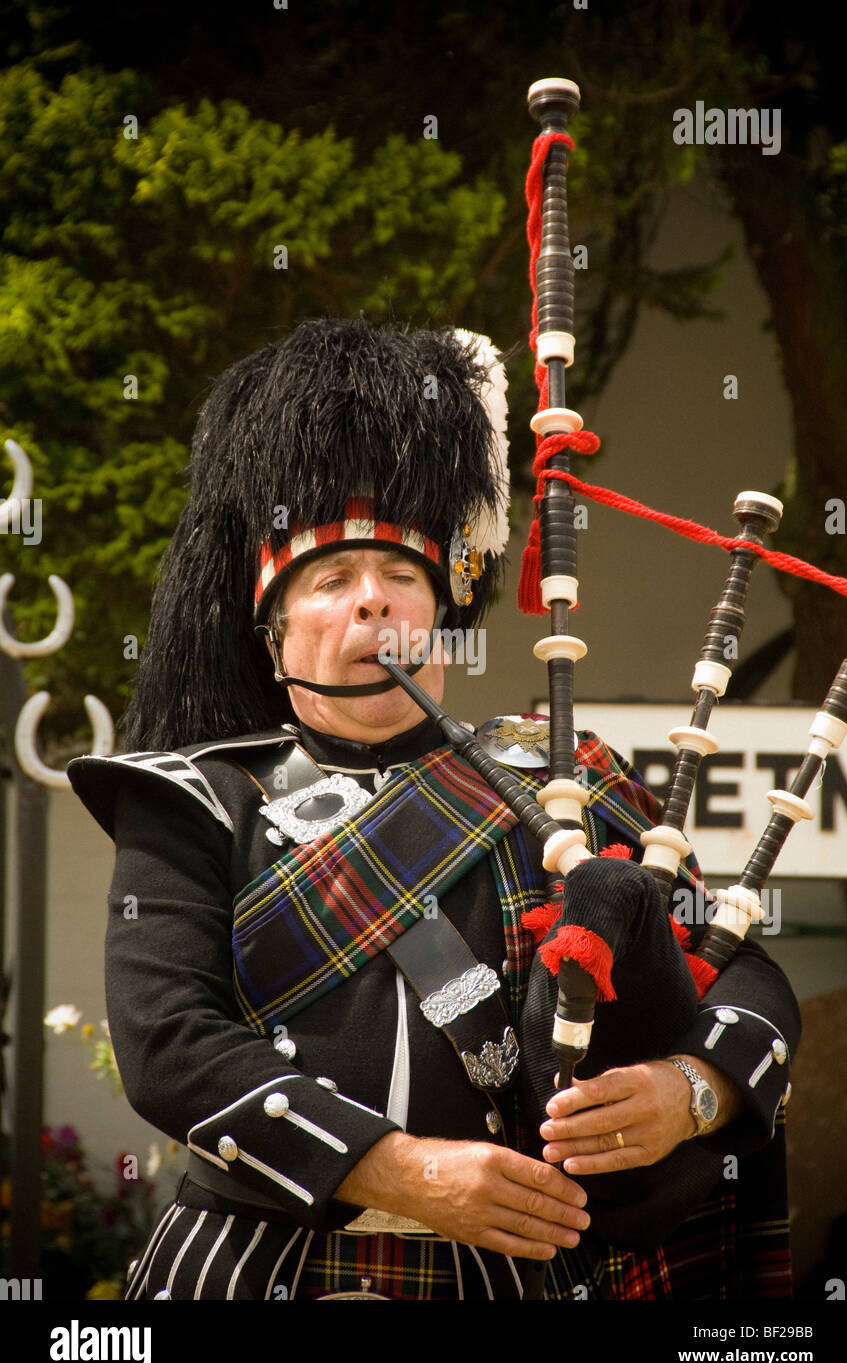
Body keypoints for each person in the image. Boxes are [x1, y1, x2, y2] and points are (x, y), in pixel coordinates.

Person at [69, 319, 799, 1300]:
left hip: (502, 1275)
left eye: (401, 577)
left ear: (441, 615)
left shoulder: (560, 785)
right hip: (255, 1266)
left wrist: (689, 1092)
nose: (372, 604)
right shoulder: (194, 799)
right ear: (274, 633)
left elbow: (739, 965)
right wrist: (401, 1170)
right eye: (330, 580)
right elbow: (169, 1045)